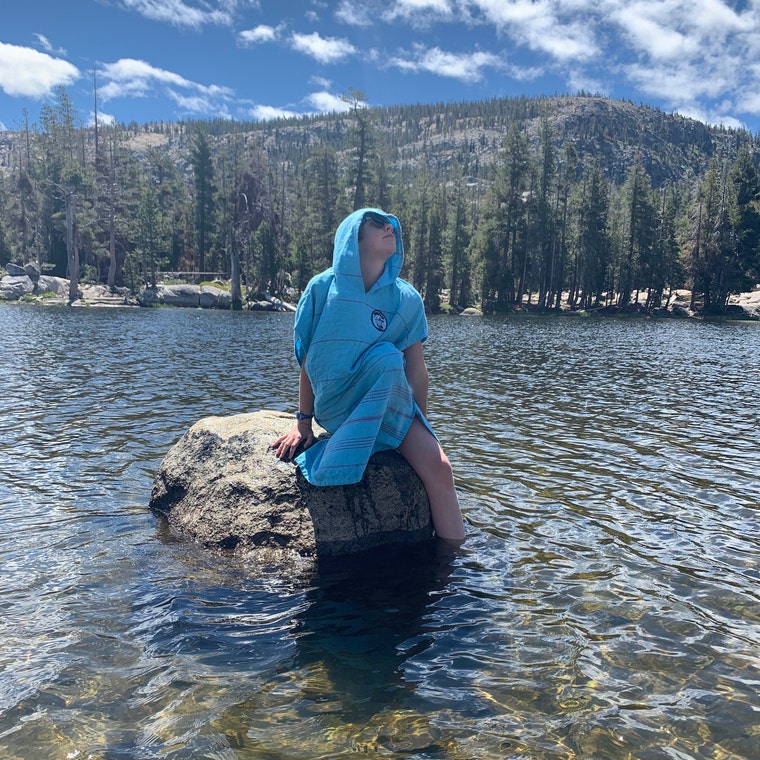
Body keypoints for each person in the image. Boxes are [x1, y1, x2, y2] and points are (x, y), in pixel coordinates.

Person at [272, 207, 465, 543]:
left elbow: (417, 372)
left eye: (391, 223)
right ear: (353, 237)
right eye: (376, 223)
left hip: (391, 408)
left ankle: (455, 561)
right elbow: (309, 361)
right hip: (338, 407)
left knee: (440, 468)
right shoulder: (322, 289)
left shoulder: (406, 298)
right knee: (387, 358)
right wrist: (303, 423)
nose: (389, 227)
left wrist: (420, 428)